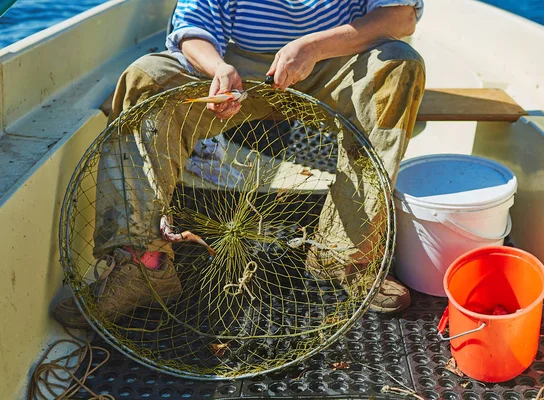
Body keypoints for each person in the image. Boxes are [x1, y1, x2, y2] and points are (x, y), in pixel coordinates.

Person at [53, 0, 426, 329]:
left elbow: (400, 17)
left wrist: (313, 46)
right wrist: (218, 68)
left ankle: (345, 257)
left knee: (399, 65)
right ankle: (145, 266)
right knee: (146, 79)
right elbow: (192, 26)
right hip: (237, 69)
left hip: (335, 59)